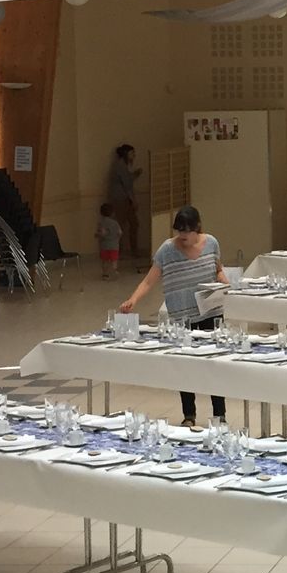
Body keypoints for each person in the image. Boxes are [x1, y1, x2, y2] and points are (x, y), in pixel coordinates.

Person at [118, 205, 227, 425]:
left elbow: (218, 269)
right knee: (185, 365)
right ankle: (189, 414)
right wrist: (133, 300)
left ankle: (220, 414)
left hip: (210, 311)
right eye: (179, 231)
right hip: (181, 316)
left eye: (187, 231)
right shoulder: (167, 250)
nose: (183, 236)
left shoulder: (212, 243)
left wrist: (229, 285)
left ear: (197, 228)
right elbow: (150, 279)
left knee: (214, 364)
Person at [107, 143, 142, 266]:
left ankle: (132, 250)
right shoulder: (120, 166)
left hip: (122, 199)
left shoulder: (121, 166)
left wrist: (134, 175)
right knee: (123, 226)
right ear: (126, 154)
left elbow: (126, 181)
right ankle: (122, 252)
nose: (134, 156)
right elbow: (127, 185)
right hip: (121, 200)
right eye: (132, 153)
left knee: (132, 224)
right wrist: (134, 200)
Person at [96, 201, 122, 280]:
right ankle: (114, 270)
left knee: (105, 261)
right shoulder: (115, 223)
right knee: (114, 260)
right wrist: (117, 239)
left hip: (104, 246)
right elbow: (120, 232)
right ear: (112, 213)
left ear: (101, 213)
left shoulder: (101, 223)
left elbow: (102, 233)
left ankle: (105, 274)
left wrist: (97, 235)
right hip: (114, 245)